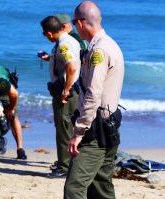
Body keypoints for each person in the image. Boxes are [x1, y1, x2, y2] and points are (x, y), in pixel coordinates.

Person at [64, 1, 124, 198]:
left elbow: (93, 94)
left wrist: (79, 131)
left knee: (74, 188)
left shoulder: (99, 51)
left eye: (74, 23)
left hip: (95, 132)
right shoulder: (110, 45)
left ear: (81, 23)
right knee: (101, 187)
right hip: (110, 126)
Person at [40, 16, 81, 178]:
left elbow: (71, 67)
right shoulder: (68, 41)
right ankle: (66, 163)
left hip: (66, 93)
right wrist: (50, 58)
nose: (45, 37)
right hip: (69, 91)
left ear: (49, 33)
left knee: (64, 129)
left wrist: (66, 90)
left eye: (44, 34)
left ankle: (65, 167)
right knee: (67, 127)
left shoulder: (64, 44)